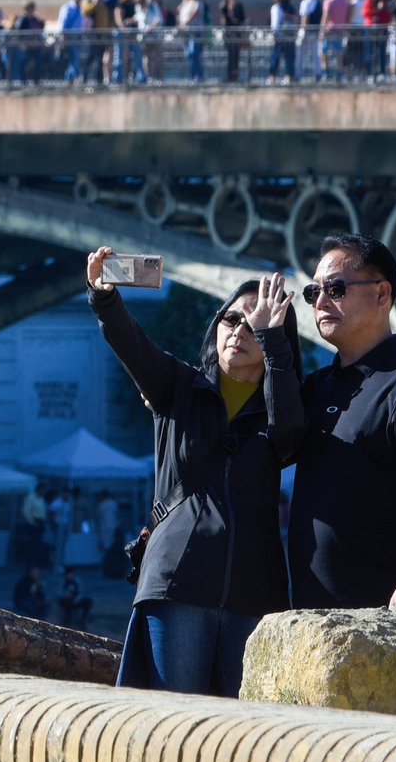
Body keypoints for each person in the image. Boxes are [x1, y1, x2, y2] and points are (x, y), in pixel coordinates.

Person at [86, 247, 304, 697]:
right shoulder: (177, 387)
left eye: (255, 324)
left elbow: (290, 435)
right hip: (176, 584)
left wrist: (274, 342)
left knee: (248, 726)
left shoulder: (282, 409)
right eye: (231, 319)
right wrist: (104, 296)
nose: (239, 330)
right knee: (174, 720)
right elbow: (130, 342)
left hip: (254, 592)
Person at [289, 234, 396, 611]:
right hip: (308, 613)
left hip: (384, 615)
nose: (321, 302)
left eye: (336, 288)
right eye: (313, 292)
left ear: (382, 293)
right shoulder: (316, 387)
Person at [320, 0, 351, 81]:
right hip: (341, 30)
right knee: (339, 53)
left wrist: (322, 30)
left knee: (323, 51)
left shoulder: (328, 1)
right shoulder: (345, 1)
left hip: (329, 31)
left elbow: (326, 15)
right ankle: (339, 73)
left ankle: (326, 73)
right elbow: (348, 16)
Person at [266, 0, 296, 82]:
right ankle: (288, 77)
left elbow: (275, 23)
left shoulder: (276, 7)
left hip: (279, 36)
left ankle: (272, 77)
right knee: (289, 58)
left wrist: (274, 36)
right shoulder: (291, 8)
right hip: (290, 36)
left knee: (275, 57)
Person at [177, 0, 205, 82]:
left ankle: (197, 77)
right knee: (189, 55)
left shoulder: (198, 2)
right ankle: (192, 76)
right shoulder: (185, 3)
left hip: (195, 32)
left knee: (194, 54)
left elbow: (195, 13)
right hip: (186, 33)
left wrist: (185, 23)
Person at [219, 0, 247, 82]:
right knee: (230, 57)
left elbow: (241, 21)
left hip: (237, 35)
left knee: (236, 57)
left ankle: (236, 76)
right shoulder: (224, 8)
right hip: (229, 35)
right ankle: (229, 76)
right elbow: (225, 22)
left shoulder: (239, 7)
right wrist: (230, 10)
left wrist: (244, 35)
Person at [58, 0, 84, 84]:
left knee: (76, 58)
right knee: (72, 58)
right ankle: (71, 78)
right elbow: (63, 23)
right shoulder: (67, 8)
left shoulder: (80, 8)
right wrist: (62, 36)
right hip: (69, 37)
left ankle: (72, 78)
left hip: (78, 37)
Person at [296, 0, 321, 79]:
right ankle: (318, 73)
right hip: (315, 30)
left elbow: (305, 18)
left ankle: (298, 74)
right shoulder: (317, 2)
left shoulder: (305, 2)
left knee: (301, 54)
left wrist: (304, 31)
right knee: (315, 53)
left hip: (306, 31)